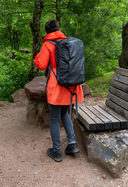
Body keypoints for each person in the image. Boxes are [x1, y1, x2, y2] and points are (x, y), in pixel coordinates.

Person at [34, 19, 84, 162]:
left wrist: (36, 57)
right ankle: (72, 144)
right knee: (65, 113)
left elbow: (42, 65)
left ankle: (56, 151)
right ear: (58, 29)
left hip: (57, 86)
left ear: (47, 32)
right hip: (71, 85)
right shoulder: (69, 42)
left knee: (55, 118)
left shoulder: (48, 44)